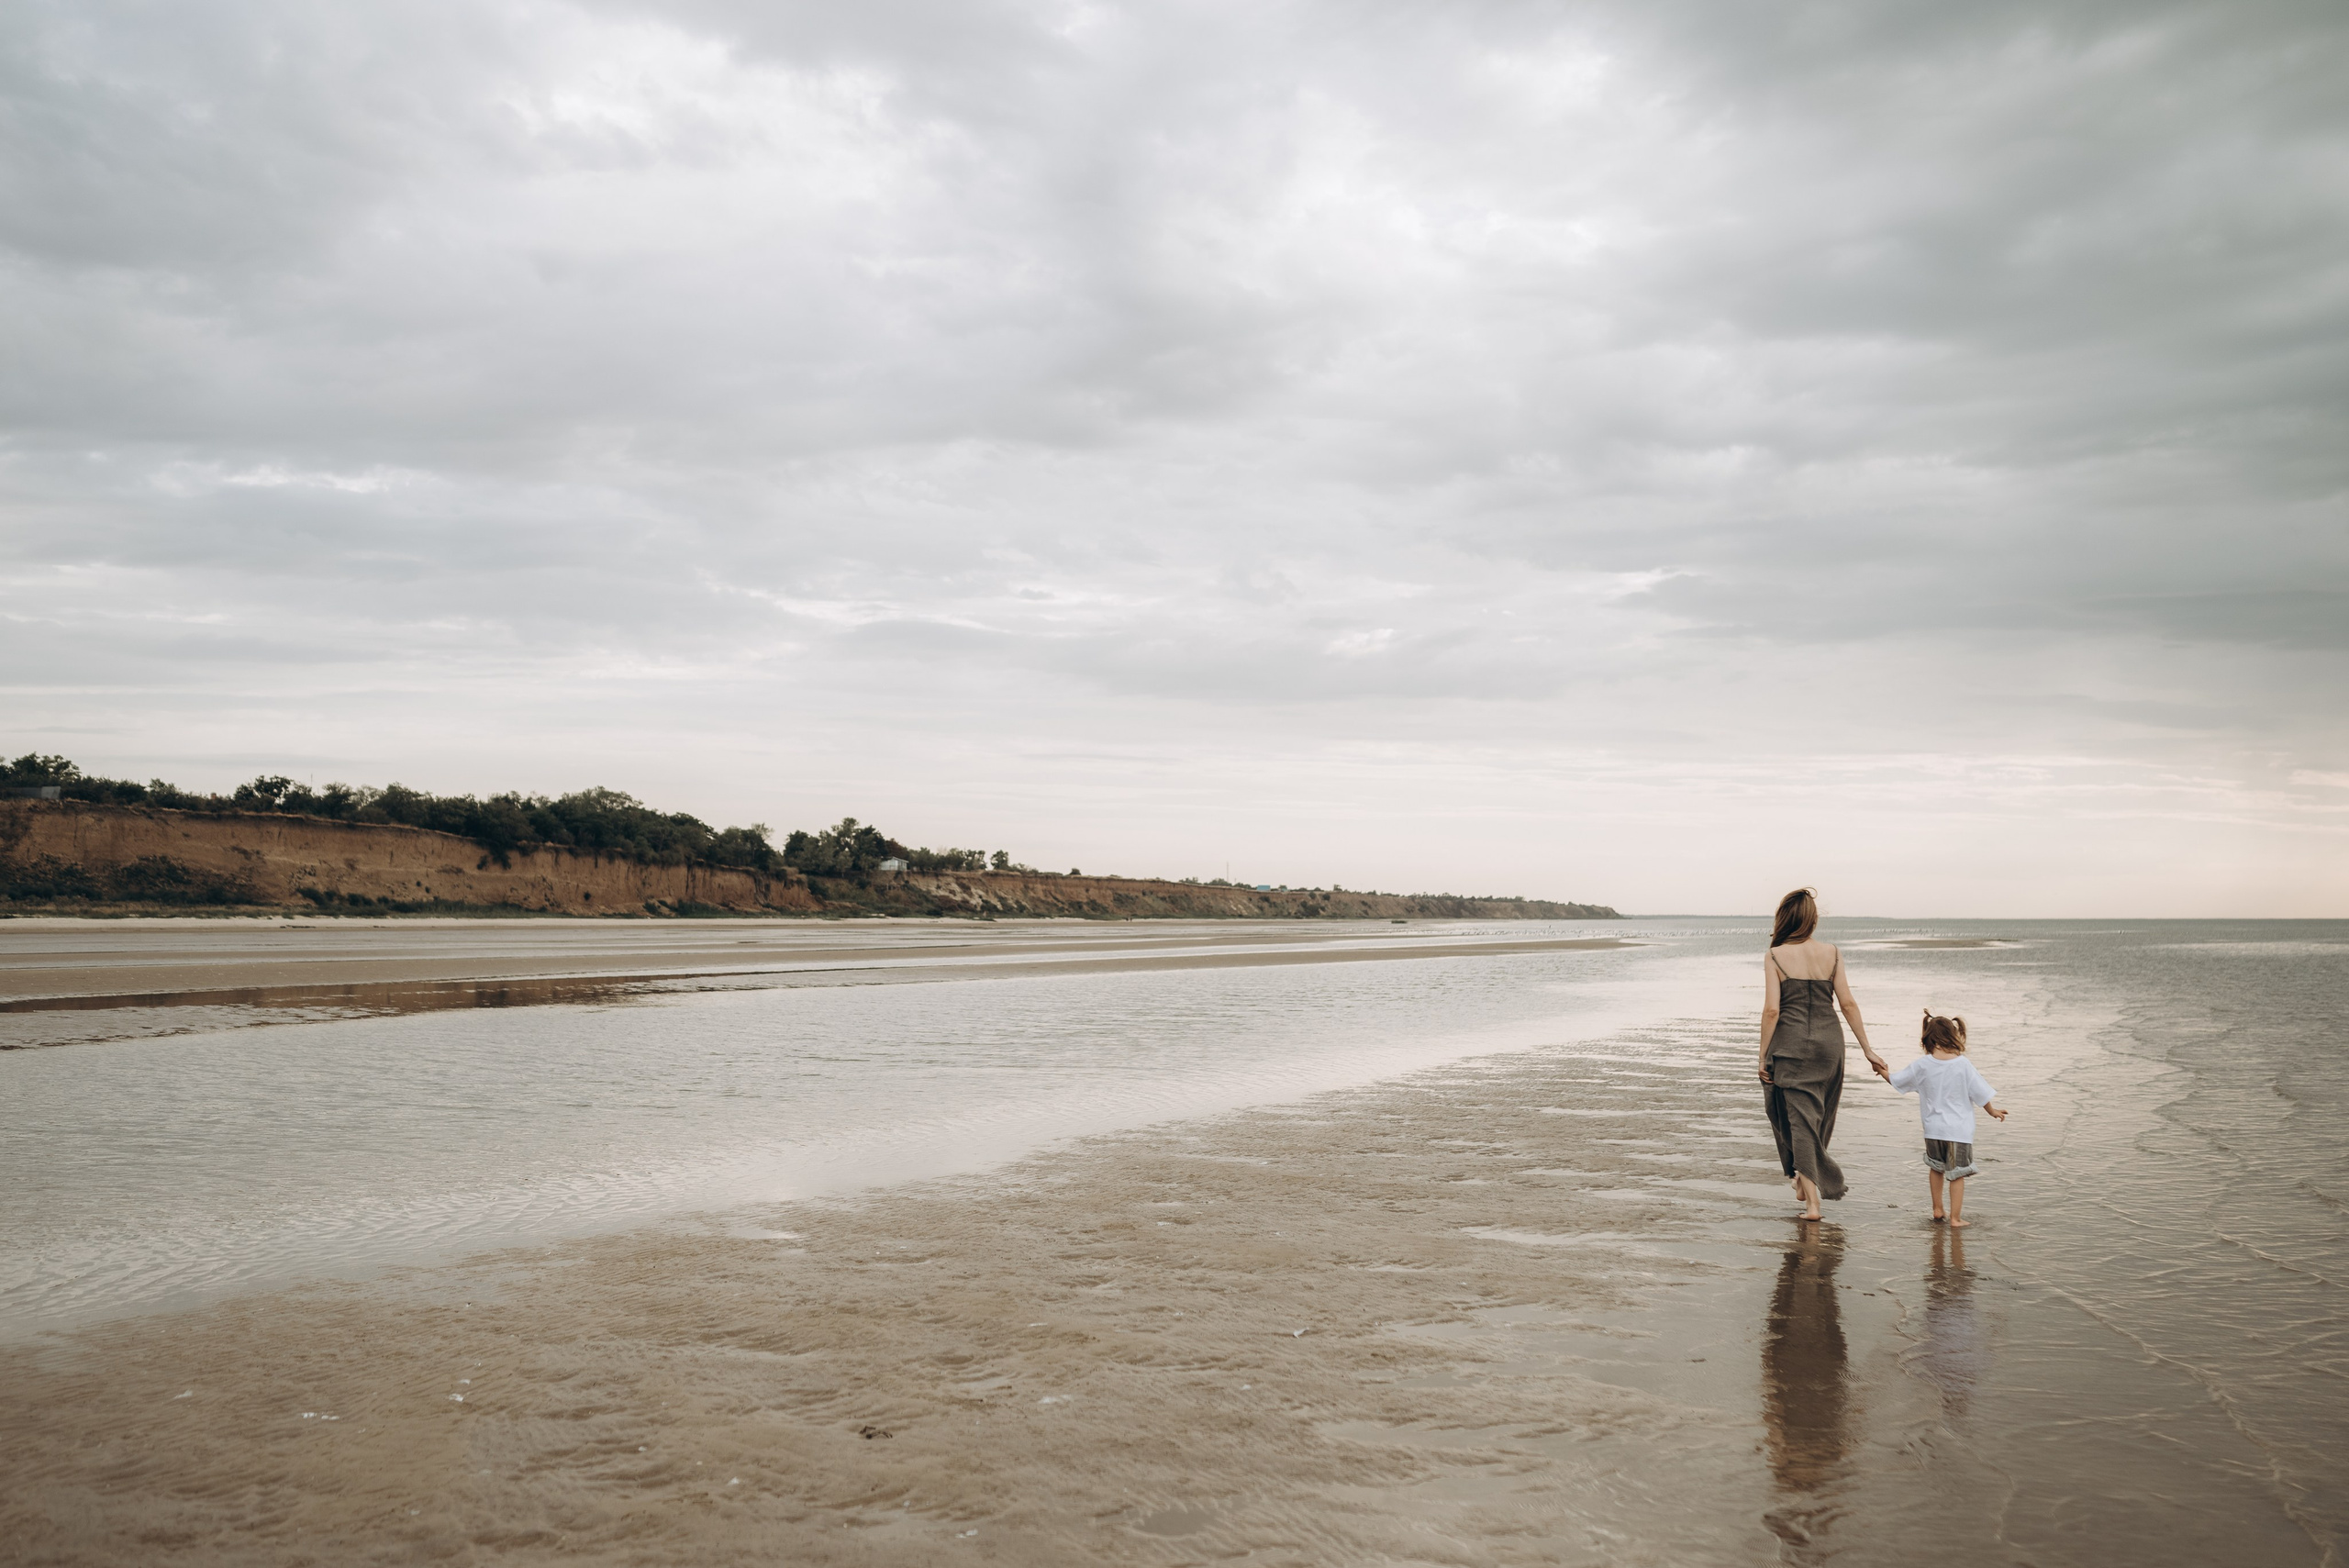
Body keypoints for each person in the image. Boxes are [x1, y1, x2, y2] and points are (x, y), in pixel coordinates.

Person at [1759, 887, 1889, 1220]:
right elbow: (1847, 1003)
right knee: (1816, 1116)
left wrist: (1762, 1056)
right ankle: (1804, 1181)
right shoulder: (1832, 952)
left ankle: (1813, 1203)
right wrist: (1868, 1049)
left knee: (1797, 1120)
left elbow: (1772, 1011)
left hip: (1790, 1044)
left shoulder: (1775, 955)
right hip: (1830, 1044)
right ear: (1812, 920)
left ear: (1785, 919)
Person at [1887, 1011, 2008, 1228]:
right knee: (1957, 1174)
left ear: (1928, 1039)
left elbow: (1898, 1081)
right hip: (1958, 1131)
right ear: (1953, 1036)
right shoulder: (1962, 1065)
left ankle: (1937, 1209)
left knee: (1936, 1168)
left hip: (1933, 1130)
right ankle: (1955, 1218)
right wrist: (1992, 1111)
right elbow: (1980, 1093)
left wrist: (1883, 1071)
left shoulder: (1922, 1065)